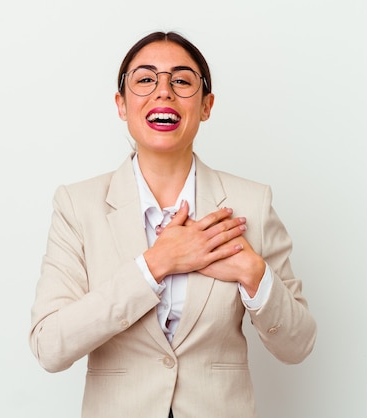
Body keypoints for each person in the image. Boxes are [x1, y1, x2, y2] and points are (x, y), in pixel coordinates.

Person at [29, 31, 316, 418]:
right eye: (145, 79)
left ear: (206, 105)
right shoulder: (77, 206)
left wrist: (254, 274)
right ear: (121, 103)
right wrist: (152, 266)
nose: (163, 91)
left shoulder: (251, 203)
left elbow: (297, 346)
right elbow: (49, 347)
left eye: (181, 80)